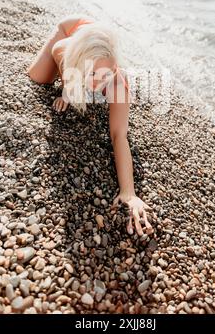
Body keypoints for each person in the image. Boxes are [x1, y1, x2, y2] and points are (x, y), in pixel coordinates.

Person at [27, 16, 153, 236]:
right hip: (71, 29)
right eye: (92, 74)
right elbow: (59, 51)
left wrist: (129, 192)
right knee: (38, 77)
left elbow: (118, 135)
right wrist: (68, 91)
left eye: (106, 73)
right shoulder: (66, 51)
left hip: (91, 45)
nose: (98, 83)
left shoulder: (117, 81)